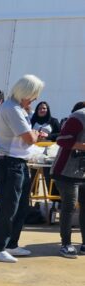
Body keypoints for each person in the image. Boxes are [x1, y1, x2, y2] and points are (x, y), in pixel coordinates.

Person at [0, 74, 48, 263]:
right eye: (33, 95)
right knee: (8, 208)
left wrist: (33, 132)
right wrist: (36, 133)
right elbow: (29, 138)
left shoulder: (17, 109)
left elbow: (27, 136)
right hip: (10, 163)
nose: (35, 99)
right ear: (25, 92)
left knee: (20, 207)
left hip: (16, 162)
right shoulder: (12, 109)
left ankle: (10, 244)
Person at [51, 101, 85, 258]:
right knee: (69, 207)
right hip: (66, 170)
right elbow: (62, 140)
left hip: (82, 172)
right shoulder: (79, 116)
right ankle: (66, 243)